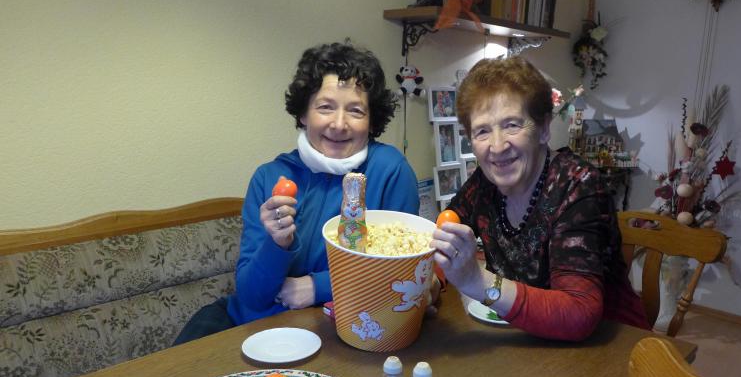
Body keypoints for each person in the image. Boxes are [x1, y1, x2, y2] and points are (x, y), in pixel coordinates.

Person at [174, 42, 419, 344]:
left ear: (371, 121)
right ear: (304, 113)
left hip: (339, 327)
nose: (339, 124)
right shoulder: (269, 177)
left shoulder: (390, 171)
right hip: (248, 324)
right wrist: (278, 243)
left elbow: (402, 271)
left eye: (355, 111)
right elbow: (251, 296)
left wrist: (317, 287)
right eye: (325, 107)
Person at [430, 57, 648, 341]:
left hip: (610, 346)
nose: (497, 146)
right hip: (530, 341)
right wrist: (431, 282)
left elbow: (579, 313)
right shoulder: (485, 182)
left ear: (544, 129)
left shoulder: (578, 185)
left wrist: (477, 281)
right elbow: (446, 232)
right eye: (482, 131)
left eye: (512, 125)